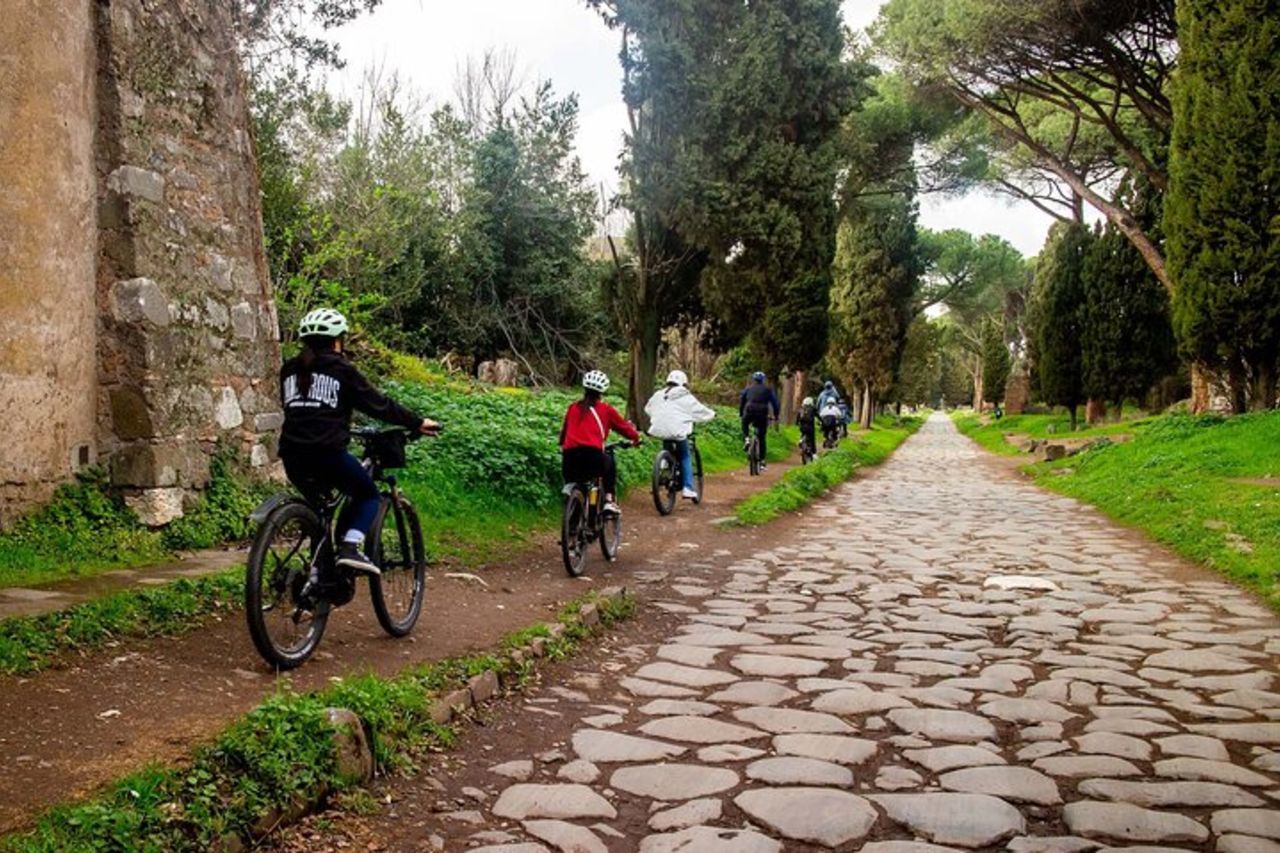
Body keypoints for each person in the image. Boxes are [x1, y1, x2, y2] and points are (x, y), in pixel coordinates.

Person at [279, 308, 440, 579]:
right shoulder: (342, 370)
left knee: (319, 514)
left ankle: (318, 576)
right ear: (337, 340)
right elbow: (378, 405)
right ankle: (350, 547)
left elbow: (301, 410)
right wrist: (416, 422)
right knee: (368, 496)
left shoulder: (289, 370)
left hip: (292, 456)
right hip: (327, 454)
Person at [560, 370, 641, 514]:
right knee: (609, 462)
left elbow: (564, 432)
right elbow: (624, 428)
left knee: (574, 480)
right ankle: (609, 500)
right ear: (602, 391)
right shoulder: (606, 410)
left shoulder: (572, 408)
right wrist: (636, 438)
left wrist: (563, 445)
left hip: (569, 457)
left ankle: (570, 492)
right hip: (593, 456)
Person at [645, 369, 716, 499]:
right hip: (677, 431)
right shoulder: (685, 396)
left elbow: (648, 408)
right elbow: (700, 411)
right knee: (685, 456)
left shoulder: (658, 395)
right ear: (683, 383)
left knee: (667, 443)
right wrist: (712, 414)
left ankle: (663, 467)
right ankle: (688, 487)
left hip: (659, 429)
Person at [739, 371, 780, 467]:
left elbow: (742, 401)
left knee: (745, 423)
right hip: (762, 413)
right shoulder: (768, 390)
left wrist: (741, 413)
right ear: (763, 380)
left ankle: (747, 439)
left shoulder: (748, 389)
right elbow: (775, 403)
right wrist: (776, 415)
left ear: (753, 379)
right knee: (762, 437)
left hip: (749, 411)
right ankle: (762, 460)